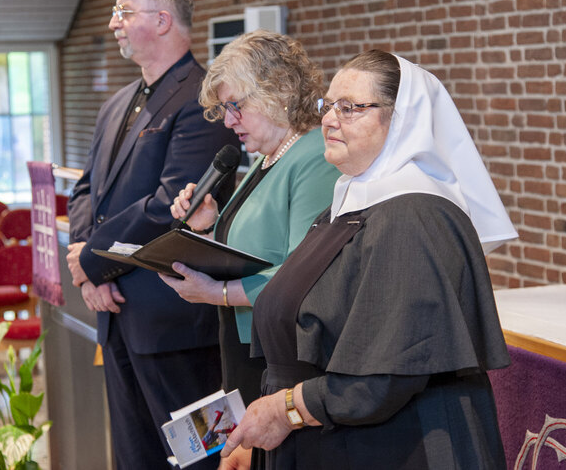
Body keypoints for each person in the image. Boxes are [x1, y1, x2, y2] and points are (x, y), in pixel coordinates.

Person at [219, 50, 519, 470]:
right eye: (328, 105)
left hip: (397, 448)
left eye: (350, 108)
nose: (328, 119)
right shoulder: (351, 204)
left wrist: (284, 412)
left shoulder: (413, 216)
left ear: (402, 119)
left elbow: (381, 376)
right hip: (326, 440)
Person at [65, 0, 239, 470]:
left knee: (200, 458)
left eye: (124, 11)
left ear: (162, 20)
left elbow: (171, 206)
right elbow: (86, 190)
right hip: (117, 315)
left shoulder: (204, 101)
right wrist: (89, 270)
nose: (113, 22)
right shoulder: (116, 103)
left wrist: (92, 262)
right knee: (133, 456)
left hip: (176, 324)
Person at [161, 30, 341, 404]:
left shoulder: (314, 158)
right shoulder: (267, 157)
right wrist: (207, 227)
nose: (229, 121)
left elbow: (304, 275)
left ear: (278, 92)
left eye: (235, 106)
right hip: (246, 343)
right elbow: (249, 253)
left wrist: (216, 293)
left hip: (282, 355)